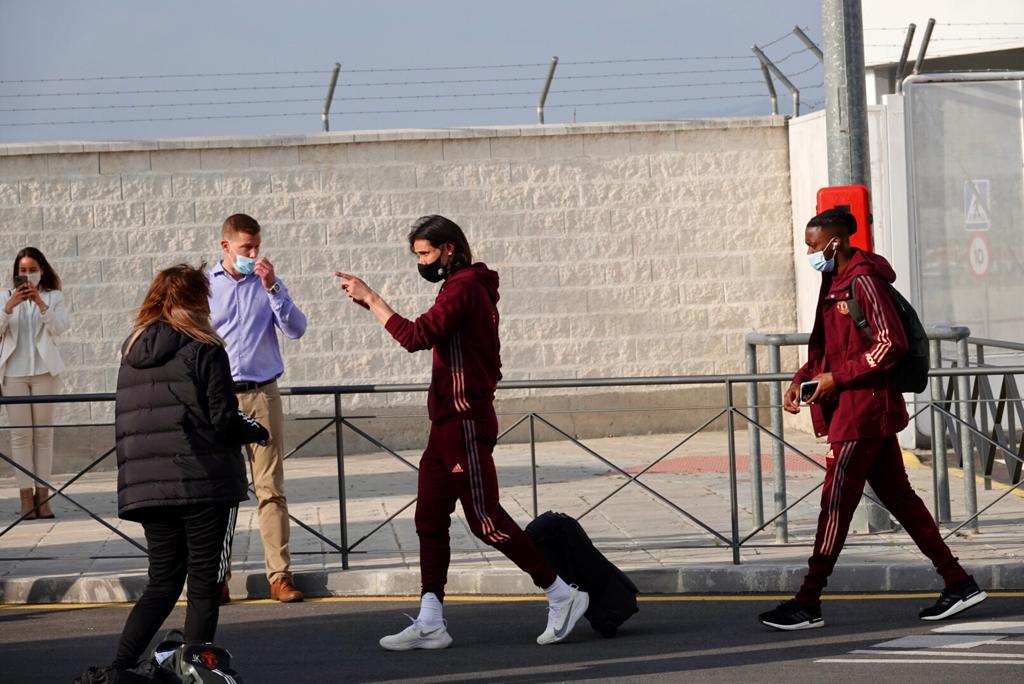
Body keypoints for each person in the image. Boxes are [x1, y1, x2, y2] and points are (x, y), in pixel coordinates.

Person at [337, 214, 589, 650]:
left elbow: (417, 336)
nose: (421, 262)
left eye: (426, 253)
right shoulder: (462, 288)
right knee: (429, 519)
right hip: (446, 424)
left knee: (486, 520)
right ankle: (431, 619)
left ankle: (561, 594)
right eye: (417, 255)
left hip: (465, 422)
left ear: (449, 248)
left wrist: (373, 299)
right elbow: (483, 357)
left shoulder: (465, 288)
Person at [758, 208, 986, 631]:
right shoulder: (835, 281)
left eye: (813, 245)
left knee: (835, 506)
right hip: (854, 411)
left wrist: (836, 379)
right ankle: (958, 582)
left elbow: (889, 344)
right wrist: (803, 379)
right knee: (900, 500)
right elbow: (827, 347)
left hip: (863, 414)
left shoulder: (864, 282)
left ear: (835, 242)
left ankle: (808, 601)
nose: (808, 252)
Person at [107, 264, 269, 674]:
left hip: (147, 488)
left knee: (161, 585)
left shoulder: (133, 347)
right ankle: (198, 672)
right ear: (199, 299)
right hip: (205, 484)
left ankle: (119, 669)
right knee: (203, 585)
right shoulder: (205, 346)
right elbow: (222, 418)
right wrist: (256, 429)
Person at [207, 213, 306, 603]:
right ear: (226, 246)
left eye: (257, 247)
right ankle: (217, 578)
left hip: (262, 394)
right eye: (246, 248)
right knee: (221, 491)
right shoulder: (203, 286)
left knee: (270, 488)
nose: (253, 254)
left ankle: (279, 576)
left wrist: (273, 287)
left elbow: (297, 329)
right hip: (218, 398)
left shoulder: (268, 283)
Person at [0, 247, 69, 520]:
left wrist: (41, 303)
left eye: (32, 269)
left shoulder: (53, 297)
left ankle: (44, 498)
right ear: (16, 273)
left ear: (42, 270)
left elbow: (60, 328)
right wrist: (8, 308)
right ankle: (25, 499)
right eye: (23, 270)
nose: (27, 275)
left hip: (45, 372)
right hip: (13, 373)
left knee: (43, 436)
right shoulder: (5, 297)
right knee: (20, 436)